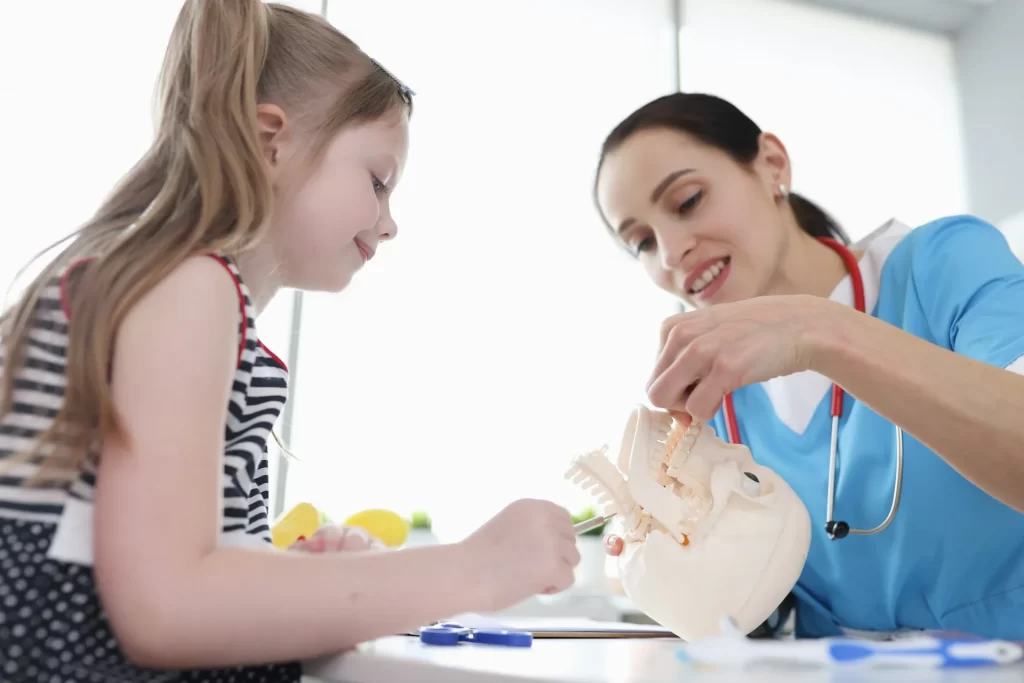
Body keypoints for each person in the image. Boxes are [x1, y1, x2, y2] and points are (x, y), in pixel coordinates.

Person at [0, 3, 580, 681]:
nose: (388, 223)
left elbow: (151, 570)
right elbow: (166, 606)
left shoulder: (169, 286)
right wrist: (478, 568)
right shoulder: (190, 286)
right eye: (378, 181)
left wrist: (281, 582)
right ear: (271, 139)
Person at [592, 92, 1024, 640]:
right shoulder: (718, 401)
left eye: (688, 201)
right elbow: (763, 605)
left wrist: (818, 333)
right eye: (642, 243)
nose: (671, 252)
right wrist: (671, 559)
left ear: (771, 164)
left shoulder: (942, 264)